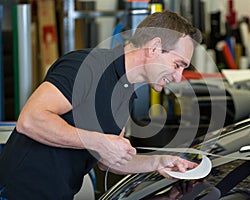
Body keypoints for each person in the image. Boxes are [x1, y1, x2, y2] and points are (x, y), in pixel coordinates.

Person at [0, 10, 202, 199]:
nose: (178, 77)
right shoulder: (86, 67)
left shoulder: (126, 92)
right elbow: (30, 120)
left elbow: (108, 160)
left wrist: (160, 162)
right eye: (177, 65)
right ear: (155, 47)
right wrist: (98, 142)